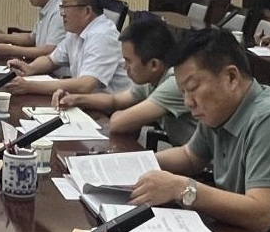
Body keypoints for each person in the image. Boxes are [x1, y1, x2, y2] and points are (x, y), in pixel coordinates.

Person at [131, 28, 270, 232]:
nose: (188, 102)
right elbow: (190, 156)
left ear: (231, 77)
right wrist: (137, 163)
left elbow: (261, 214)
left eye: (193, 88)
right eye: (183, 92)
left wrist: (181, 188)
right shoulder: (219, 111)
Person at [51, 17, 195, 143]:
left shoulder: (175, 83)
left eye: (128, 61)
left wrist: (122, 113)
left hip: (199, 161)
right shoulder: (151, 78)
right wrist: (76, 99)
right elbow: (115, 101)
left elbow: (118, 123)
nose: (125, 67)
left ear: (154, 65)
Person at [6, 0, 131, 95]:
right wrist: (30, 68)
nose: (62, 13)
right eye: (62, 7)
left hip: (111, 108)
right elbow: (51, 60)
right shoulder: (75, 31)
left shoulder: (103, 36)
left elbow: (85, 85)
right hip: (85, 102)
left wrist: (30, 86)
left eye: (66, 7)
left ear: (87, 11)